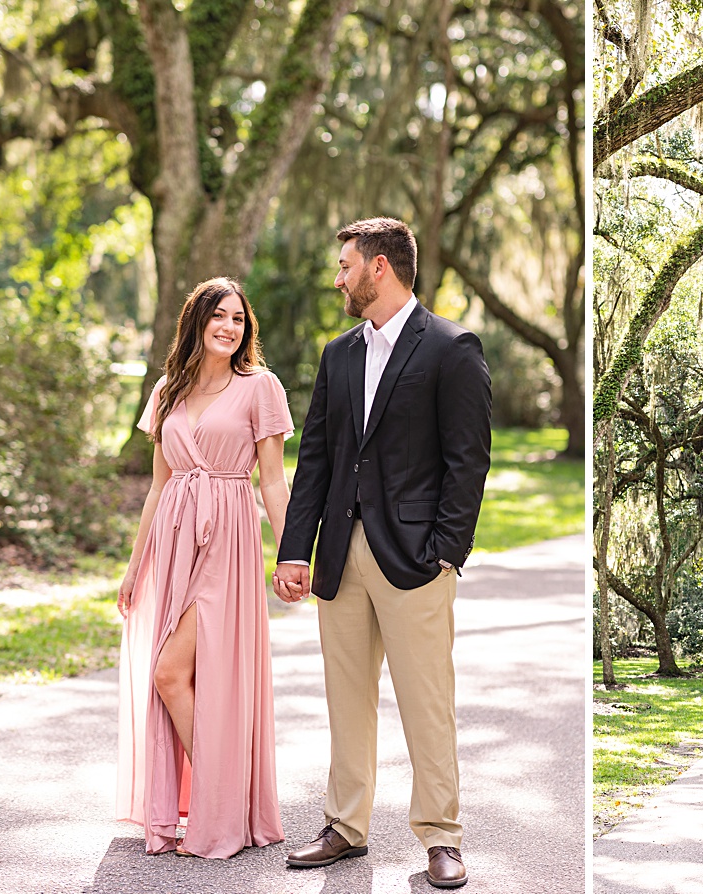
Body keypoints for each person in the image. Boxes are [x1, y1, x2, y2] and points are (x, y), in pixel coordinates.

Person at [272, 217, 491, 888]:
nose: (337, 277)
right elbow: (314, 458)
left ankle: (441, 838)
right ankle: (344, 826)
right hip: (340, 552)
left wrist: (446, 552)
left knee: (427, 701)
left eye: (345, 265)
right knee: (346, 698)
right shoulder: (337, 354)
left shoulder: (452, 348)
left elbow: (468, 462)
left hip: (416, 560)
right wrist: (293, 549)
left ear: (378, 268)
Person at [116, 277, 293, 858]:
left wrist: (291, 551)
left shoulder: (260, 387)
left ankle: (225, 808)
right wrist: (135, 563)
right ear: (196, 321)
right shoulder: (168, 389)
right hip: (171, 539)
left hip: (227, 538)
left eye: (239, 319)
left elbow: (271, 478)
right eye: (219, 316)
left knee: (173, 672)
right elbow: (156, 486)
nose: (229, 327)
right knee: (175, 677)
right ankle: (223, 804)